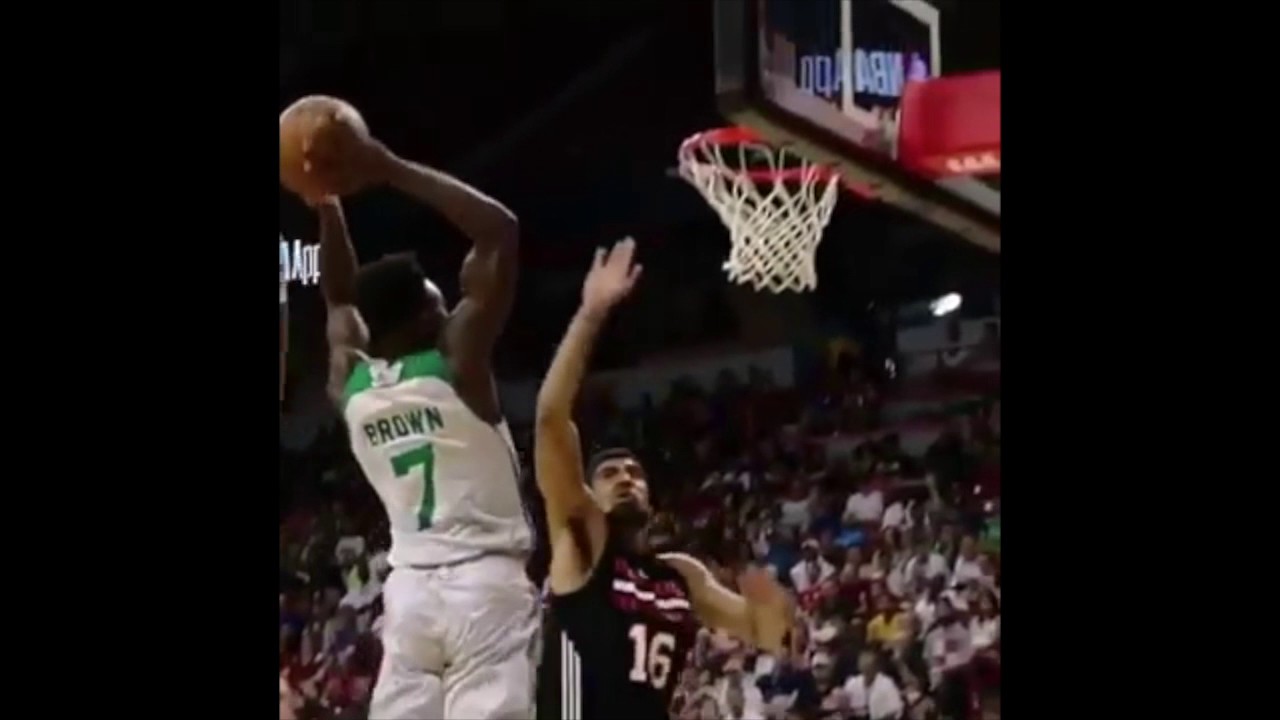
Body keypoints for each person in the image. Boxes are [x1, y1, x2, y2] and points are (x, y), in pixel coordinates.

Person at [300, 111, 536, 720]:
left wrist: (326, 204)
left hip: (409, 593)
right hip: (485, 586)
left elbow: (339, 298)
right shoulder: (458, 366)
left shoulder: (348, 385)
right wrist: (387, 168)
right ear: (427, 315)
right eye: (437, 293)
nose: (446, 296)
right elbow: (500, 232)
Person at [534, 239, 794, 719]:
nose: (626, 479)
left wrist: (774, 605)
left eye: (635, 472)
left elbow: (770, 637)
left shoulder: (682, 576)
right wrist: (590, 316)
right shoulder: (585, 543)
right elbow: (551, 418)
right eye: (610, 474)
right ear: (590, 493)